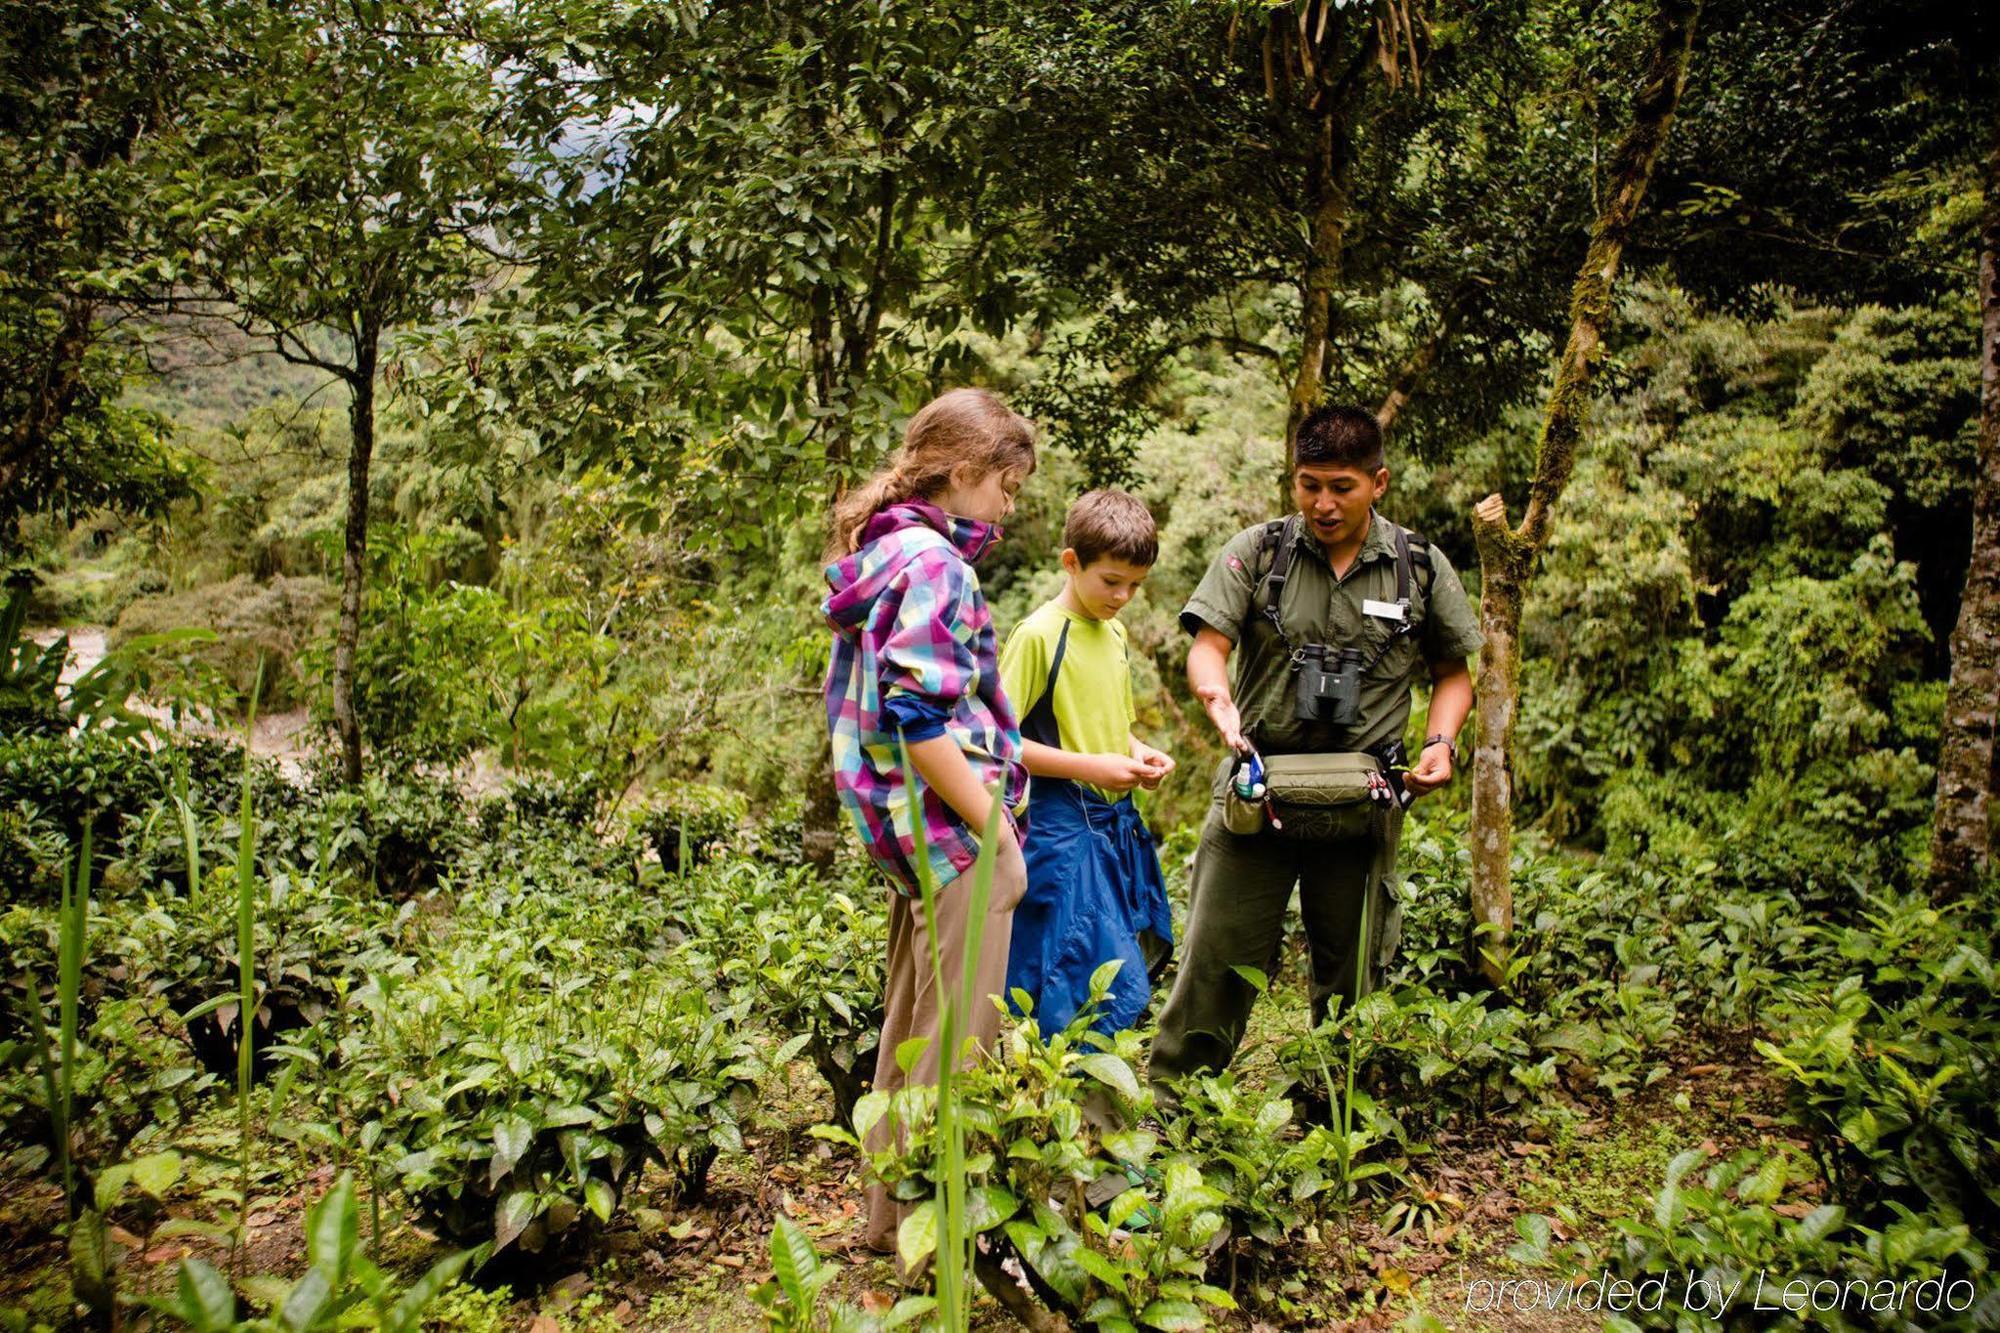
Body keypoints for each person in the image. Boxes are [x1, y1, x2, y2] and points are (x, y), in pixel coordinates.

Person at [1148, 405, 1483, 1092]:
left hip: (1363, 808)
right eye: (1308, 485)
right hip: (1257, 796)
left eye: (1341, 486)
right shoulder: (1258, 551)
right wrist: (1216, 697)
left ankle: (1340, 1124)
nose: (1323, 504)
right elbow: (1208, 647)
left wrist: (1441, 742)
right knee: (1214, 963)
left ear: (1378, 481)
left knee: (1354, 977)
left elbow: (1454, 673)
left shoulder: (1419, 566)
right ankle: (1172, 1110)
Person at [820, 387, 1036, 1256]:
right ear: (963, 473)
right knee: (958, 1045)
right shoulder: (938, 563)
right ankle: (935, 1248)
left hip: (909, 835)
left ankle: (886, 1226)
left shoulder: (887, 549)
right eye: (1006, 489)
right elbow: (918, 721)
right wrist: (997, 831)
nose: (1009, 509)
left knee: (914, 1027)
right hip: (953, 832)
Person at [999, 489, 1178, 1035]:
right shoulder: (1037, 636)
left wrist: (1135, 752)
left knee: (1112, 965)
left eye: (1135, 585)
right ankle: (1066, 1110)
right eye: (1111, 581)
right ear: (1071, 563)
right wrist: (1090, 767)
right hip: (1059, 827)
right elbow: (998, 743)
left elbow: (1112, 725)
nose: (1123, 596)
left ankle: (1094, 1110)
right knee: (1072, 972)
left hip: (1114, 823)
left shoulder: (1116, 632)